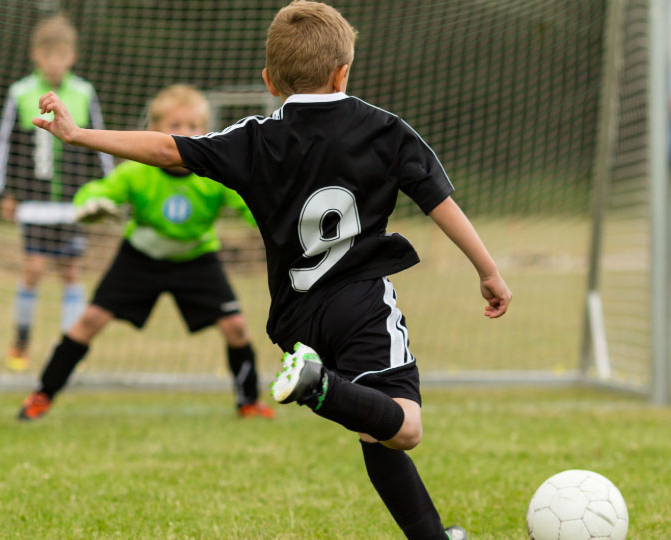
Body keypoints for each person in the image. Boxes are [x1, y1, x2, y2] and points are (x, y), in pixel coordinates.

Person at [27, 2, 513, 538]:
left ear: (269, 80)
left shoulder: (255, 138)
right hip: (359, 302)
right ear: (343, 70)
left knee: (374, 427)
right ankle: (319, 386)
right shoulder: (385, 131)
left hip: (295, 316)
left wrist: (78, 135)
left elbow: (167, 148)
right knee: (406, 425)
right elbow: (438, 201)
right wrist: (487, 270)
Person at [17, 85, 275, 421]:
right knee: (89, 321)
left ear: (207, 130)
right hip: (139, 257)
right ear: (154, 131)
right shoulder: (137, 170)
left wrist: (274, 219)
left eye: (194, 125)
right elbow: (93, 193)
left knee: (236, 327)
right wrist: (90, 206)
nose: (185, 133)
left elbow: (252, 207)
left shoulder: (215, 174)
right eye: (176, 125)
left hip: (196, 259)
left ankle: (248, 402)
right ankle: (41, 395)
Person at [0, 13, 114, 371]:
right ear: (36, 56)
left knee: (71, 271)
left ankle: (66, 350)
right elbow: (5, 144)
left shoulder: (84, 93)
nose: (55, 62)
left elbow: (100, 142)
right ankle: (21, 341)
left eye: (61, 55)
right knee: (33, 268)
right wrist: (4, 193)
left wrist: (104, 191)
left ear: (71, 56)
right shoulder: (21, 93)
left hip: (72, 203)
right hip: (33, 202)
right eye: (48, 55)